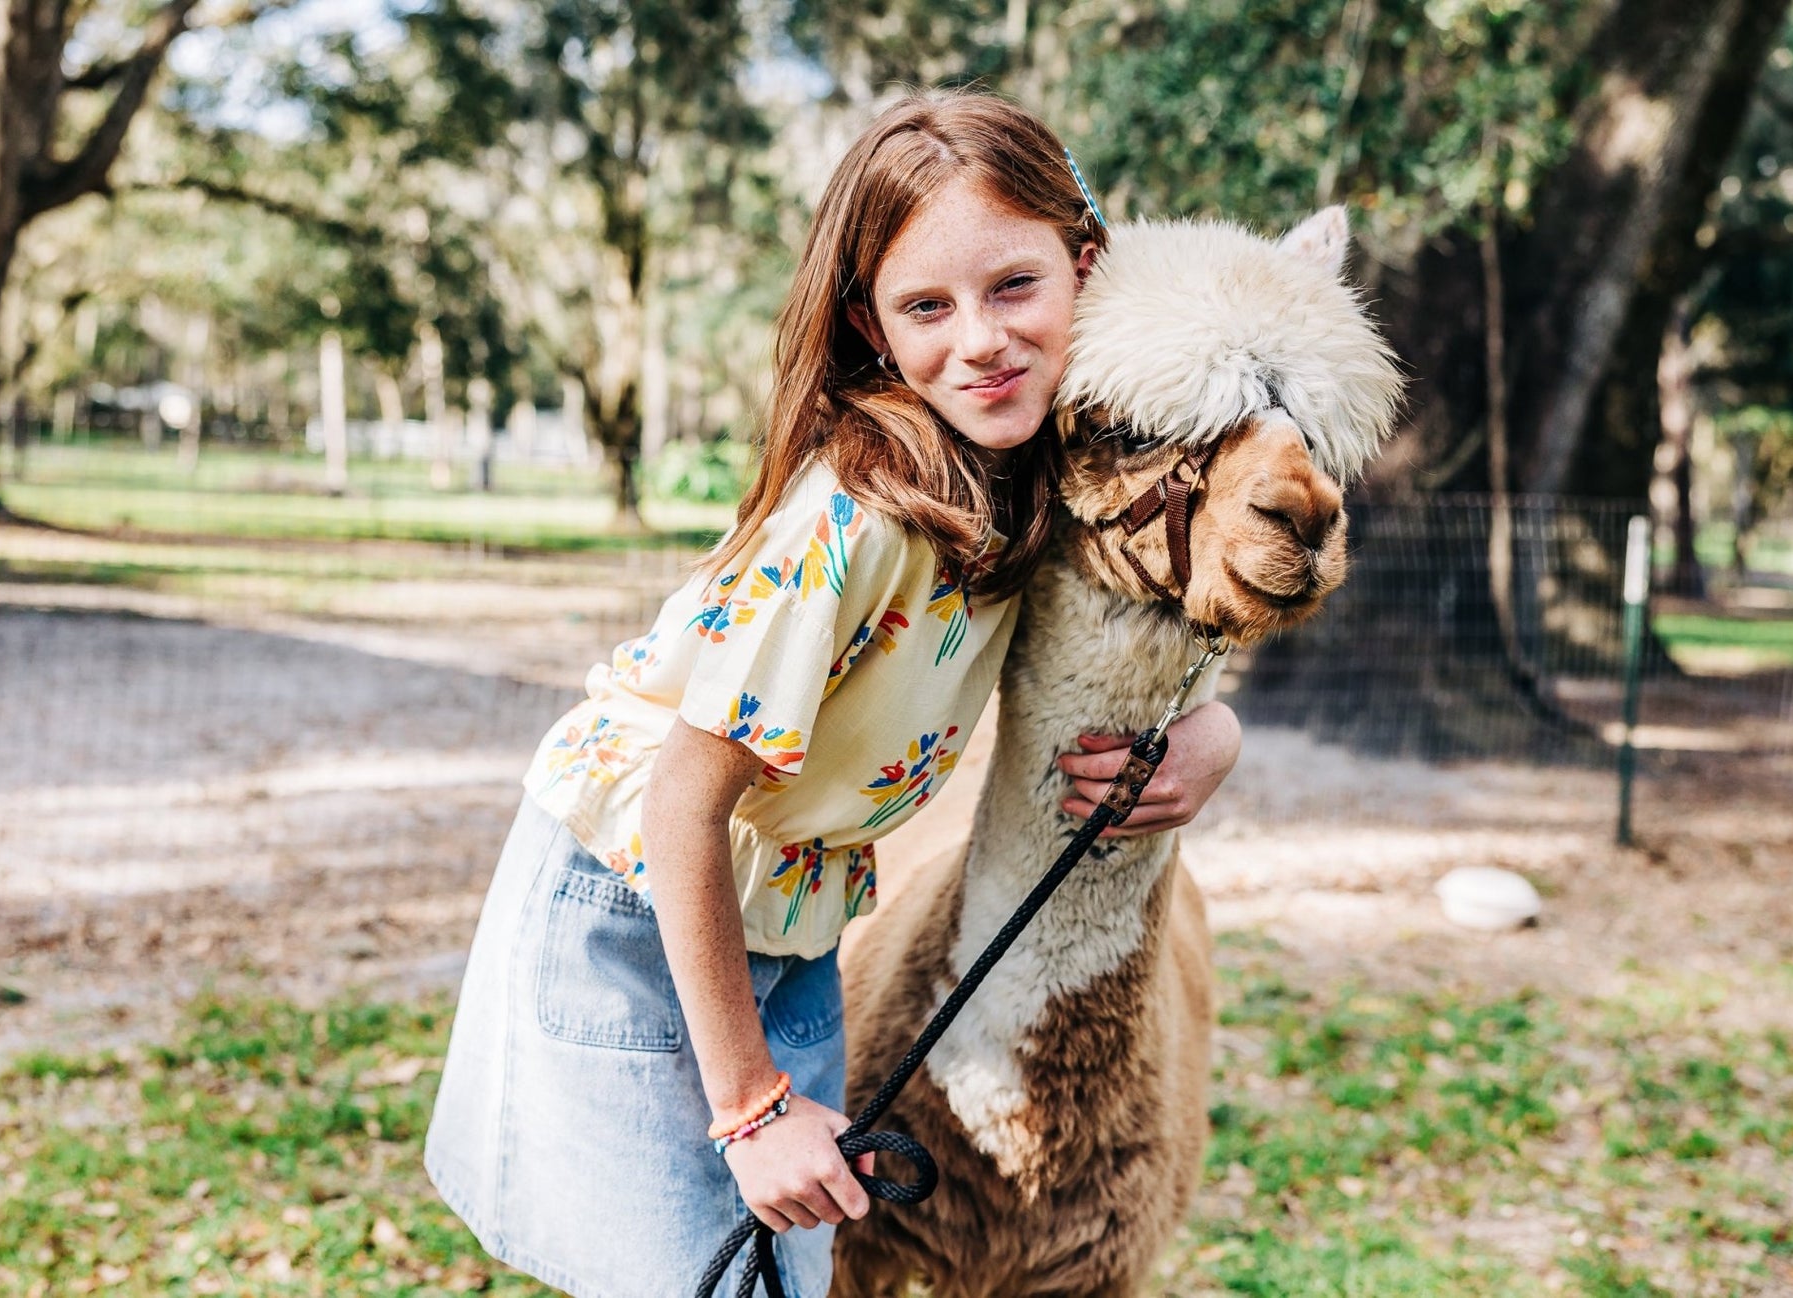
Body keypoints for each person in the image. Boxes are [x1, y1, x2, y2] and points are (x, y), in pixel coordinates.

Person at [424, 90, 1244, 1298]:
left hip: (796, 915)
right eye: (927, 306)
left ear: (1086, 265)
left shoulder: (1041, 476)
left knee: (785, 1270)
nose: (980, 341)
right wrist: (751, 1107)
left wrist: (1210, 733)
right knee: (697, 1269)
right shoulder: (856, 516)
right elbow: (679, 802)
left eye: (1013, 286)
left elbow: (1152, 614)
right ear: (870, 322)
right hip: (641, 905)